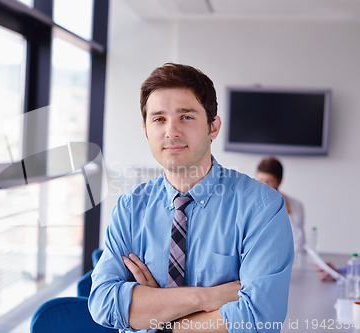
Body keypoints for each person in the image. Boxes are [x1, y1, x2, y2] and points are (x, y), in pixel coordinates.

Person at [88, 63, 294, 333]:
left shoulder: (262, 207)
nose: (171, 131)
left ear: (213, 126)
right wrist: (204, 299)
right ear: (146, 130)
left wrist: (160, 319)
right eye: (159, 119)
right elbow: (104, 304)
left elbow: (258, 319)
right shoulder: (130, 208)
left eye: (186, 117)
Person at [255, 157, 305, 253]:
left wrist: (287, 212)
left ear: (280, 181)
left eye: (269, 181)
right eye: (260, 180)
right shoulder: (248, 204)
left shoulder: (295, 205)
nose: (264, 185)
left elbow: (299, 244)